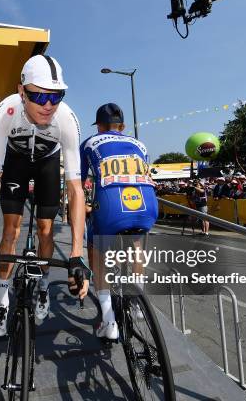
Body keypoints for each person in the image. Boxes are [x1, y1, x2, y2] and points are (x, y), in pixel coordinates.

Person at [0, 55, 89, 337]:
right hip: (16, 160)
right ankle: (2, 300)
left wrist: (76, 254)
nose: (48, 105)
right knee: (10, 231)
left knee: (46, 230)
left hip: (49, 162)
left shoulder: (67, 119)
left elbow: (76, 189)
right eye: (38, 95)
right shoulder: (5, 112)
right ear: (21, 91)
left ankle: (44, 285)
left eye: (56, 96)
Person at [80, 103, 158, 340]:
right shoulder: (140, 145)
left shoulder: (90, 143)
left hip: (111, 208)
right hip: (147, 206)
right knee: (136, 242)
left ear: (99, 126)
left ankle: (108, 319)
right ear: (122, 126)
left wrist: (83, 206)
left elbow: (80, 181)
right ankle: (137, 304)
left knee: (96, 248)